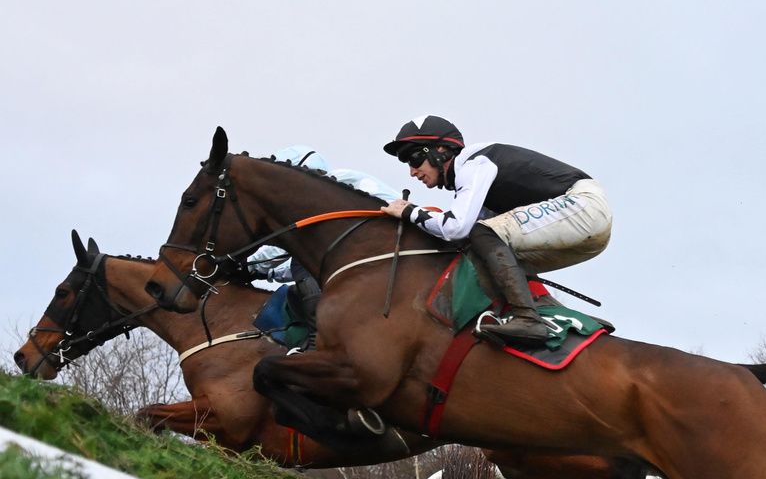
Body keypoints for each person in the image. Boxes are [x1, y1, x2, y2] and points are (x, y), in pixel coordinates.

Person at [380, 115, 613, 343]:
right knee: (486, 251)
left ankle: (527, 318)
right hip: (586, 218)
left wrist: (409, 211)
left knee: (483, 234)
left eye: (413, 160)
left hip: (583, 206)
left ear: (440, 150)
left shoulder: (474, 163)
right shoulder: (475, 180)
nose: (412, 172)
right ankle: (564, 317)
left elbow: (455, 228)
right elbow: (460, 236)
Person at [246, 146, 403, 351]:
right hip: (374, 250)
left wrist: (249, 265)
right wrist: (270, 272)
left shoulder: (337, 182)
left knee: (302, 265)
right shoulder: (332, 190)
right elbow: (303, 255)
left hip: (385, 251)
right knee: (295, 288)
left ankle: (317, 343)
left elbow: (293, 243)